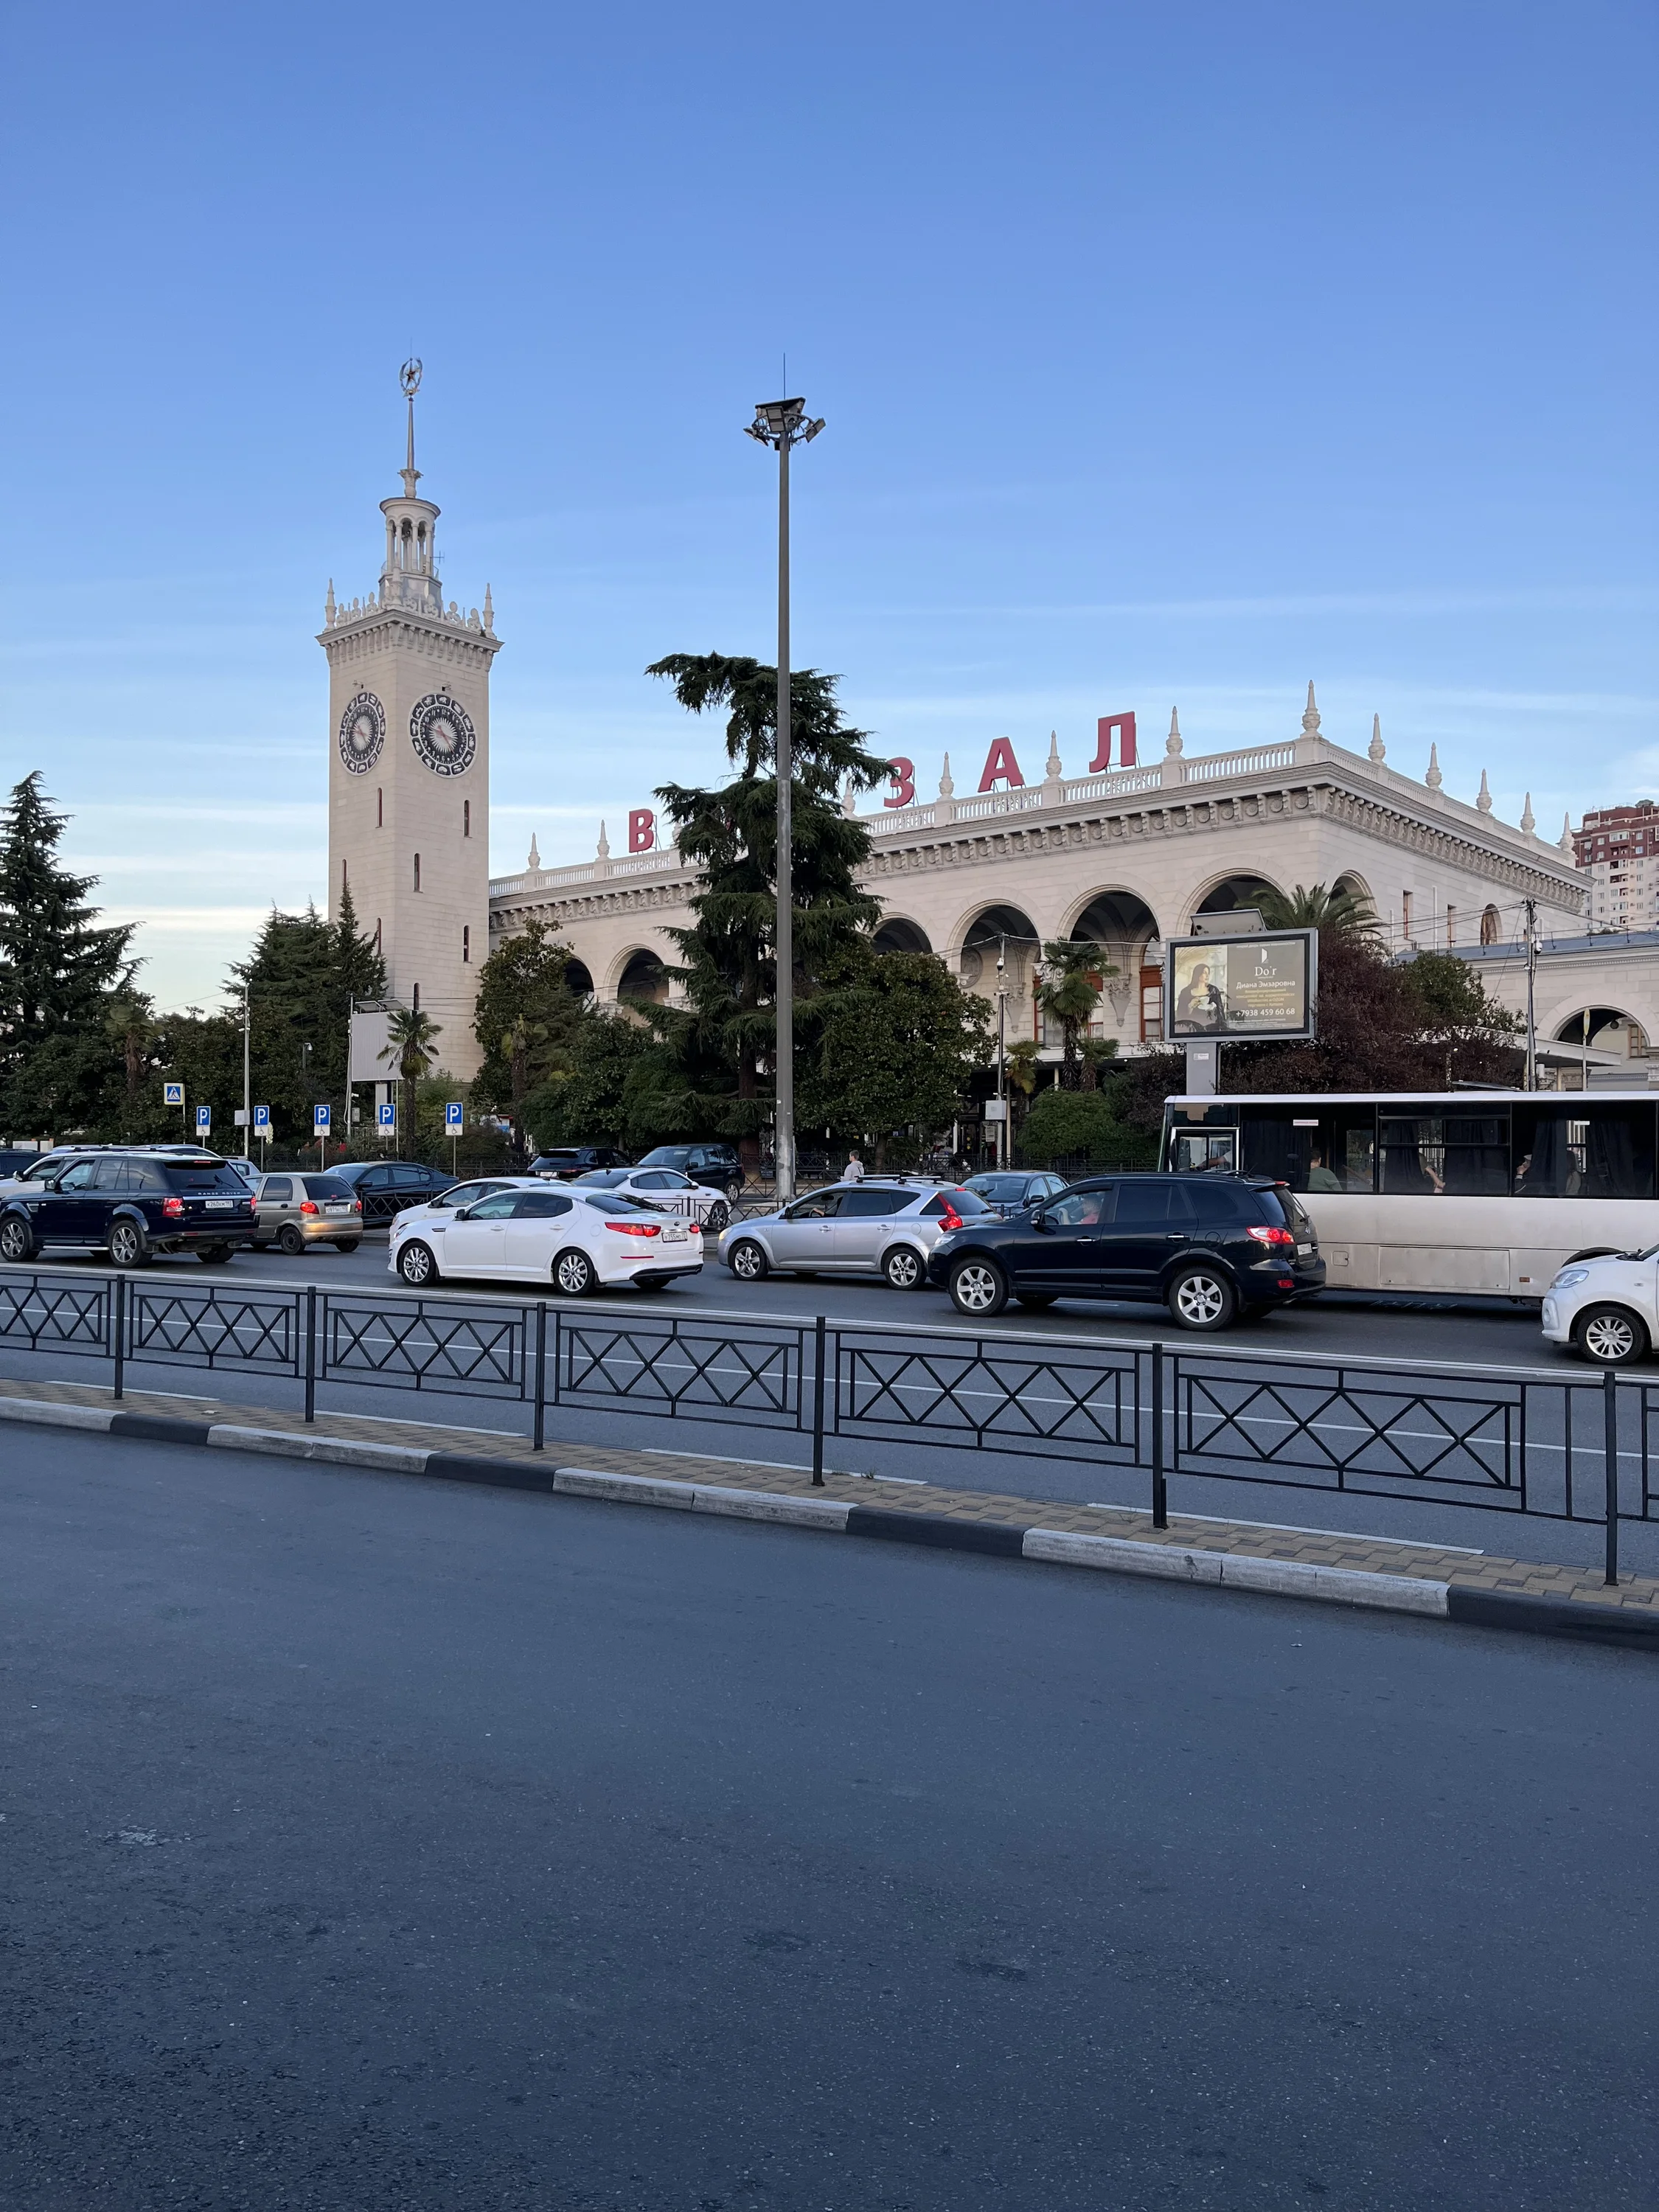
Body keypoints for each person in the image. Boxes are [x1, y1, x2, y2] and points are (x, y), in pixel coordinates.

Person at [1173, 961, 1225, 1035]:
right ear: (1198, 974)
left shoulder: (1214, 990)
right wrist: (1190, 1007)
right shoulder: (1185, 992)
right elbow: (1180, 1016)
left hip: (1212, 1029)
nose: (1207, 975)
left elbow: (1220, 1012)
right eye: (1204, 973)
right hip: (1193, 1031)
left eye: (1208, 973)